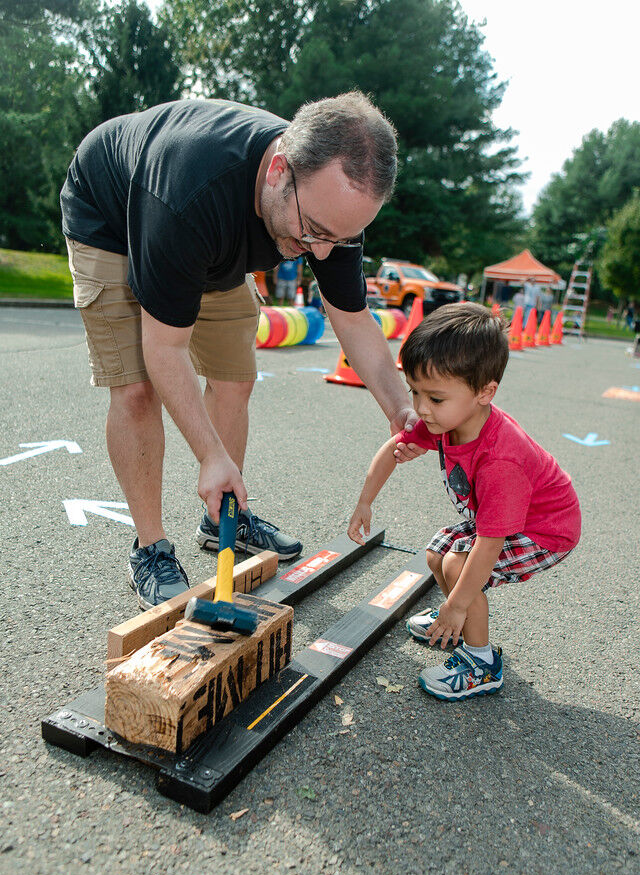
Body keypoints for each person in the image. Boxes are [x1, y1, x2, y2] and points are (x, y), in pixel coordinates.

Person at [60, 93, 418, 608]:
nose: (320, 252)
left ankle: (221, 518)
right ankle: (150, 546)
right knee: (138, 388)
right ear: (278, 171)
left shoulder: (329, 209)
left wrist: (399, 407)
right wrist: (209, 455)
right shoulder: (187, 194)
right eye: (314, 231)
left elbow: (351, 316)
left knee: (234, 374)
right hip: (113, 216)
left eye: (339, 240)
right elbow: (165, 349)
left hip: (217, 238)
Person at [347, 303, 581, 702]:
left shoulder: (501, 460)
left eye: (435, 398)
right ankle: (455, 623)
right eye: (415, 392)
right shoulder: (447, 419)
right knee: (438, 552)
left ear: (485, 392)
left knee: (459, 564)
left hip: (545, 531)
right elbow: (393, 448)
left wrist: (456, 605)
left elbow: (489, 545)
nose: (421, 408)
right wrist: (365, 501)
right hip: (508, 520)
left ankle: (481, 661)